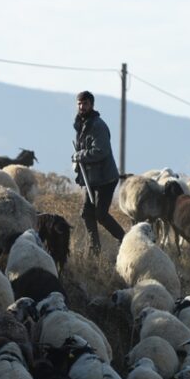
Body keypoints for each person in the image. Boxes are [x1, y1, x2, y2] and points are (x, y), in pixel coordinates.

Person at [72, 90, 126, 255]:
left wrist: (79, 155)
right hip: (92, 178)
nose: (82, 106)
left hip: (105, 178)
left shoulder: (97, 125)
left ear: (92, 105)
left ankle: (125, 240)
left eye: (85, 103)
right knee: (87, 213)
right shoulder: (82, 124)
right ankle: (94, 250)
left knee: (100, 215)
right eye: (79, 103)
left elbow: (100, 151)